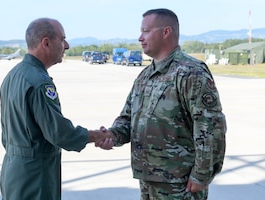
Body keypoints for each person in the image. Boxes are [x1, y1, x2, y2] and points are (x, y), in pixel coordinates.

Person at [96, 8, 227, 200]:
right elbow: (128, 118)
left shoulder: (191, 72)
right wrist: (112, 135)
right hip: (148, 178)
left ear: (166, 32)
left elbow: (210, 127)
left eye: (146, 31)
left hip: (179, 183)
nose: (140, 38)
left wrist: (202, 174)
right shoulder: (145, 76)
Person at [0, 18, 112, 200]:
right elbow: (60, 134)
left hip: (13, 171)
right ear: (46, 42)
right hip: (35, 176)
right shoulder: (39, 82)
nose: (66, 45)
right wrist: (99, 135)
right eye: (63, 39)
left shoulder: (14, 75)